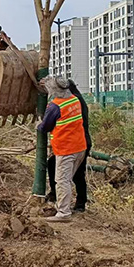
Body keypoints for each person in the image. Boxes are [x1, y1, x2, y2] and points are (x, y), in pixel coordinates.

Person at [37, 76, 87, 222]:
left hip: (66, 149)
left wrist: (39, 123)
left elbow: (45, 127)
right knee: (68, 179)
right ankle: (67, 205)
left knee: (62, 181)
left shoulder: (55, 106)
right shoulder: (74, 99)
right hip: (80, 147)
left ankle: (64, 212)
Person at [47, 79, 90, 212]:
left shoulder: (69, 102)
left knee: (67, 178)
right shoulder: (76, 100)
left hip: (72, 145)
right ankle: (61, 197)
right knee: (55, 166)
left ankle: (70, 206)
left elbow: (49, 124)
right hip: (81, 143)